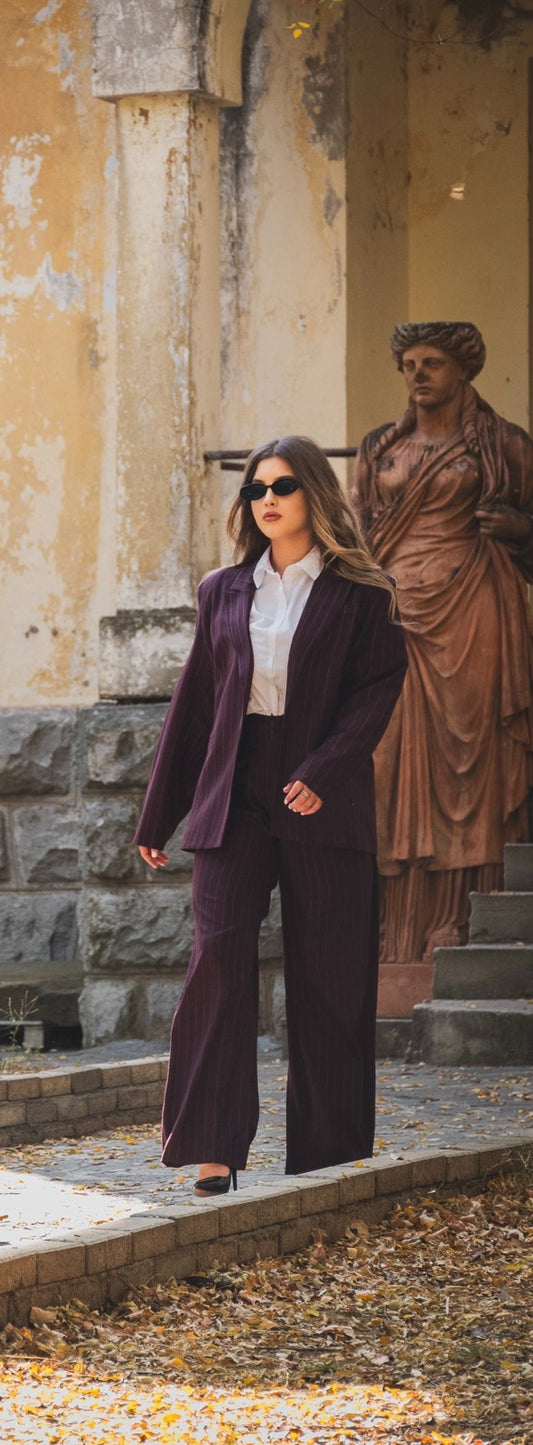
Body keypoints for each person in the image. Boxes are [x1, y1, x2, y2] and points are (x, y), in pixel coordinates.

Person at [134, 436, 407, 1195]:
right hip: (235, 790)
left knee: (329, 973)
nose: (267, 498)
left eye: (283, 485)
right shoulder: (222, 589)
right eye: (256, 487)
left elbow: (376, 689)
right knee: (217, 961)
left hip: (321, 788)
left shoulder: (363, 592)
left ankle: (327, 1149)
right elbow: (194, 706)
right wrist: (159, 813)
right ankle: (213, 1147)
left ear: (314, 493)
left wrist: (323, 771)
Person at [351, 322, 533, 970]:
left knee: (469, 769)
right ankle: (394, 936)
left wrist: (518, 529)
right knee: (389, 765)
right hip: (396, 616)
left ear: (463, 371)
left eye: (431, 362)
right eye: (408, 363)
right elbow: (356, 542)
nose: (417, 374)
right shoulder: (380, 448)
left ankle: (464, 920)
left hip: (473, 611)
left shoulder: (504, 444)